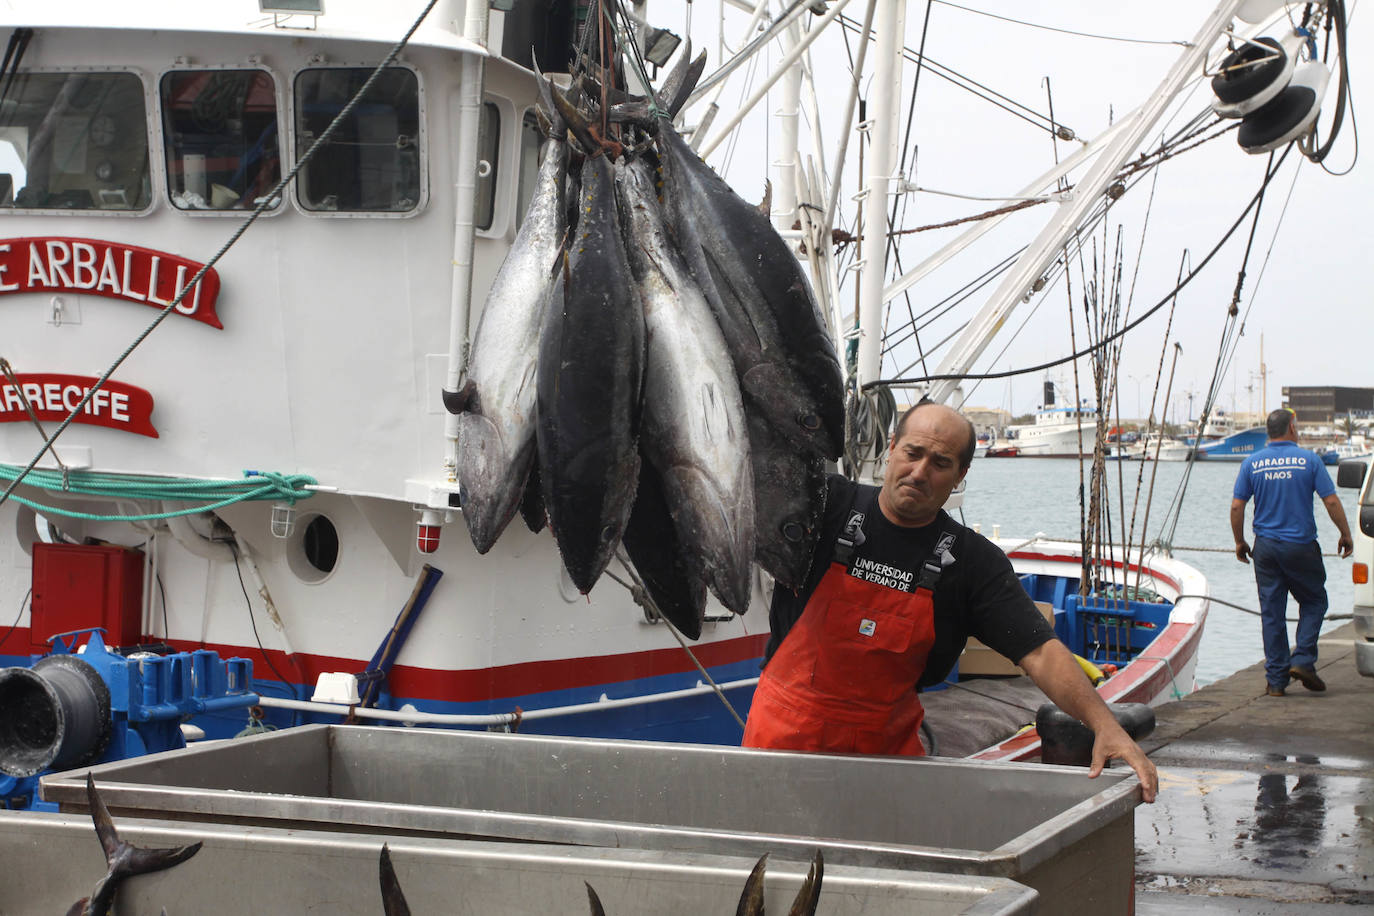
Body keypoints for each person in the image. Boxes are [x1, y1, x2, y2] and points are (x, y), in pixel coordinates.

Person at [742, 401, 1159, 803]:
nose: (919, 472)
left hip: (884, 758)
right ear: (891, 449)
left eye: (940, 463)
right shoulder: (822, 506)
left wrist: (1106, 726)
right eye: (912, 453)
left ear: (960, 475)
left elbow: (1040, 652)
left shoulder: (971, 562)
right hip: (781, 740)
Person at [1230, 407, 1353, 697]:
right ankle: (1303, 660)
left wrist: (1240, 541)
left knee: (1272, 612)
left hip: (1265, 548)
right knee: (1314, 601)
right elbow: (1331, 501)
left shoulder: (1252, 463)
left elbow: (1237, 506)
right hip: (1300, 546)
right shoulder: (1309, 460)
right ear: (1292, 428)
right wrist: (1345, 533)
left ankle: (1276, 682)